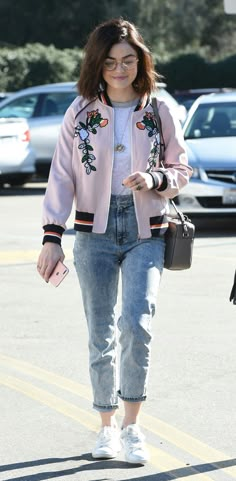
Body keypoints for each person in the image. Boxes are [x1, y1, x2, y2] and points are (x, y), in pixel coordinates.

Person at [37, 17, 192, 465]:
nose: (120, 69)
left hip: (147, 229)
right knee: (100, 332)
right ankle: (106, 428)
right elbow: (62, 177)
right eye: (110, 62)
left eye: (128, 60)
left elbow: (182, 169)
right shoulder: (81, 112)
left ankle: (133, 427)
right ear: (97, 65)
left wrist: (155, 176)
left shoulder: (160, 110)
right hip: (93, 232)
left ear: (140, 62)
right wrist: (52, 236)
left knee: (137, 326)